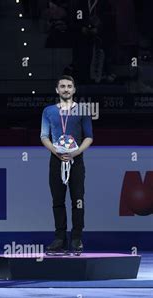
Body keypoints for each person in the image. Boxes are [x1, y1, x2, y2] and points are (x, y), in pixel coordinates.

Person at [40, 75, 93, 254]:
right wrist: (58, 152)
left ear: (74, 89)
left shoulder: (83, 110)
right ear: (57, 90)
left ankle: (77, 238)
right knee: (57, 200)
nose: (66, 89)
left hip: (76, 160)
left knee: (77, 199)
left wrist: (74, 153)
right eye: (62, 86)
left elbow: (89, 137)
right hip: (56, 160)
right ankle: (59, 239)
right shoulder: (48, 111)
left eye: (69, 86)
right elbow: (44, 136)